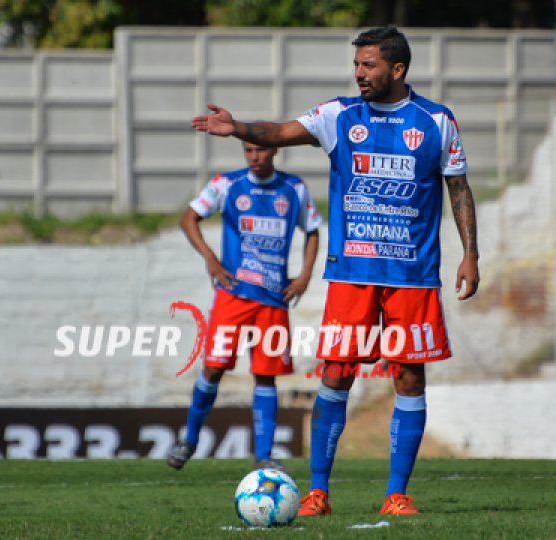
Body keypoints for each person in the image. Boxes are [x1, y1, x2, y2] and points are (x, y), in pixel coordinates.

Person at [190, 25, 479, 516]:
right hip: (352, 275)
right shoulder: (338, 115)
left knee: (409, 379)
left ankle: (397, 494)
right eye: (356, 65)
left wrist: (471, 253)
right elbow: (279, 132)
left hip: (412, 275)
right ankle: (318, 492)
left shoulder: (436, 122)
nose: (358, 74)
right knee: (337, 374)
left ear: (397, 69)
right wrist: (237, 128)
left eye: (368, 65)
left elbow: (459, 189)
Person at [166, 141, 322, 472]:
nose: (254, 156)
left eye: (261, 150)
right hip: (233, 295)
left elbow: (312, 231)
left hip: (273, 300)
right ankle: (189, 440)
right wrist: (211, 258)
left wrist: (305, 276)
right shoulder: (227, 184)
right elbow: (188, 218)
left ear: (274, 151)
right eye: (248, 150)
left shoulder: (293, 188)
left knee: (266, 377)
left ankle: (263, 455)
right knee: (214, 368)